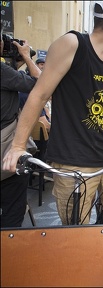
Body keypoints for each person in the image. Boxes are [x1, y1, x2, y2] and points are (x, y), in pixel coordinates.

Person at [2, 1, 103, 225]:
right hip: (73, 162)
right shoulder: (72, 44)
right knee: (75, 228)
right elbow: (39, 94)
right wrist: (18, 146)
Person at [1, 24, 41, 227]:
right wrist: (27, 57)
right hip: (6, 155)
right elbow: (40, 84)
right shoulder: (3, 72)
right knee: (12, 213)